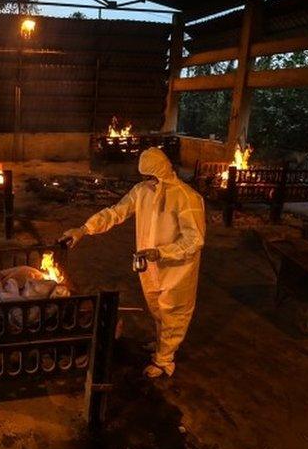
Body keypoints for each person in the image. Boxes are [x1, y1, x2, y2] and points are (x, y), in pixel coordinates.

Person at [60, 147, 205, 378]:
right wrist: (83, 229)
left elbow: (194, 239)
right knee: (157, 310)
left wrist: (162, 253)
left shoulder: (187, 197)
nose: (146, 180)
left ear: (160, 173)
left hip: (176, 271)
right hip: (151, 267)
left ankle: (164, 360)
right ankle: (160, 343)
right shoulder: (142, 191)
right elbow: (115, 213)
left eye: (149, 176)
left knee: (173, 314)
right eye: (143, 176)